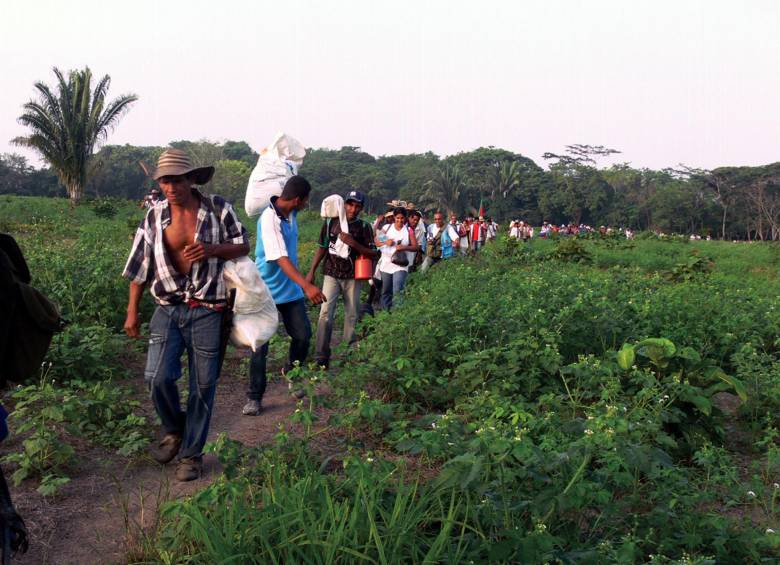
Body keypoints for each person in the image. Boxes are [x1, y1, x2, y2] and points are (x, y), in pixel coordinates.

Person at [122, 148, 250, 481]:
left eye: (176, 181)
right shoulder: (154, 216)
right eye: (164, 181)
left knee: (203, 386)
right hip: (167, 307)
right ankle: (175, 429)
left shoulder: (218, 209)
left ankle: (191, 455)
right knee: (156, 377)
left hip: (209, 308)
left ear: (191, 179)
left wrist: (211, 249)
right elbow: (139, 266)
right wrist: (132, 311)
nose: (170, 188)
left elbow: (242, 244)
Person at [242, 176, 326, 416]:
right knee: (260, 347)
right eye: (305, 200)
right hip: (265, 293)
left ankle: (291, 371)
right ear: (298, 200)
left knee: (303, 335)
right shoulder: (268, 219)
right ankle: (254, 397)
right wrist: (308, 286)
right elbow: (280, 259)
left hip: (289, 292)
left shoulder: (292, 213)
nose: (306, 205)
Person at [307, 190, 378, 369]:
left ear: (361, 208)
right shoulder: (331, 222)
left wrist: (354, 244)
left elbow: (374, 252)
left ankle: (348, 355)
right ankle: (321, 357)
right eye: (350, 204)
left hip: (353, 276)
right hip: (331, 273)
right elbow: (322, 248)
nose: (353, 209)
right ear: (344, 204)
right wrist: (311, 271)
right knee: (325, 314)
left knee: (352, 315)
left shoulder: (364, 227)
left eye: (357, 206)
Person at [376, 207, 418, 310]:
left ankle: (397, 316)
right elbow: (377, 241)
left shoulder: (408, 231)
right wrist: (386, 241)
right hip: (386, 263)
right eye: (397, 218)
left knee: (397, 290)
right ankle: (386, 313)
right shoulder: (387, 228)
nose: (400, 220)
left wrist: (404, 247)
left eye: (402, 218)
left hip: (401, 264)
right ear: (394, 217)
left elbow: (415, 247)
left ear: (405, 218)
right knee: (386, 290)